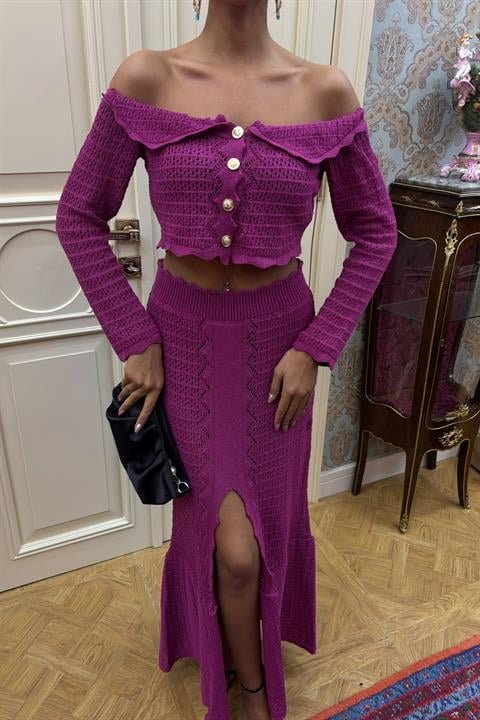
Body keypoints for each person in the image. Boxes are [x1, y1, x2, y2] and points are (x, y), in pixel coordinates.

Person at [55, 1, 398, 718]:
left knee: (255, 540)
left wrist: (316, 346)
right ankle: (249, 691)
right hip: (182, 346)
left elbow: (376, 233)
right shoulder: (147, 78)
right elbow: (78, 215)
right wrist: (134, 337)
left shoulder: (325, 91)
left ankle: (248, 675)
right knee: (227, 548)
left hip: (280, 353)